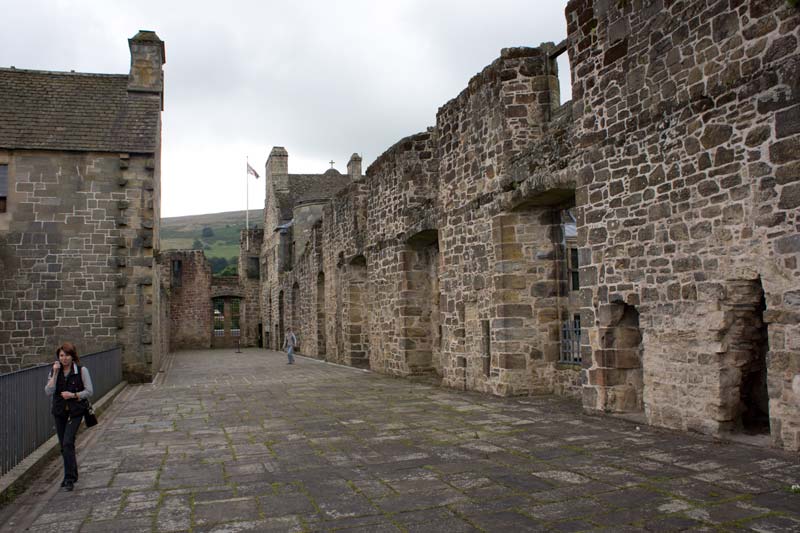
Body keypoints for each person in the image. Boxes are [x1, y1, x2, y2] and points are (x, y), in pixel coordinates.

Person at [44, 342, 93, 492]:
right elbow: (48, 391)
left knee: (67, 442)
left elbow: (89, 391)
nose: (64, 358)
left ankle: (69, 478)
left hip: (75, 412)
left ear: (73, 356)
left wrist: (73, 395)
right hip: (59, 412)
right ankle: (71, 474)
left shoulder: (81, 370)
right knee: (64, 446)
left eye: (67, 355)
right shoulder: (54, 372)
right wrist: (55, 373)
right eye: (61, 355)